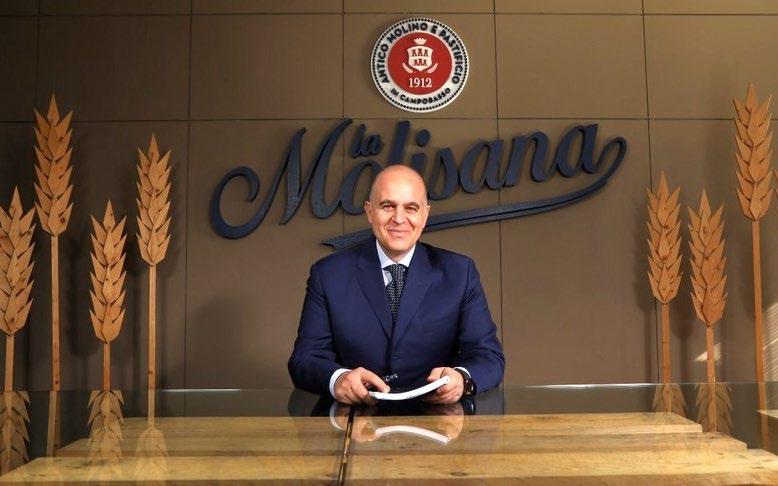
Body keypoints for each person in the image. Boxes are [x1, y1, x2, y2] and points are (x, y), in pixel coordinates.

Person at [288, 165, 505, 405]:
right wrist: (338, 379)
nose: (399, 219)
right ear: (369, 212)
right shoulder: (328, 274)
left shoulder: (459, 273)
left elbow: (488, 356)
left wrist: (462, 379)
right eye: (388, 206)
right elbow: (305, 360)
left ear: (425, 215)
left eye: (411, 208)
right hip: (356, 418)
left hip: (437, 419)